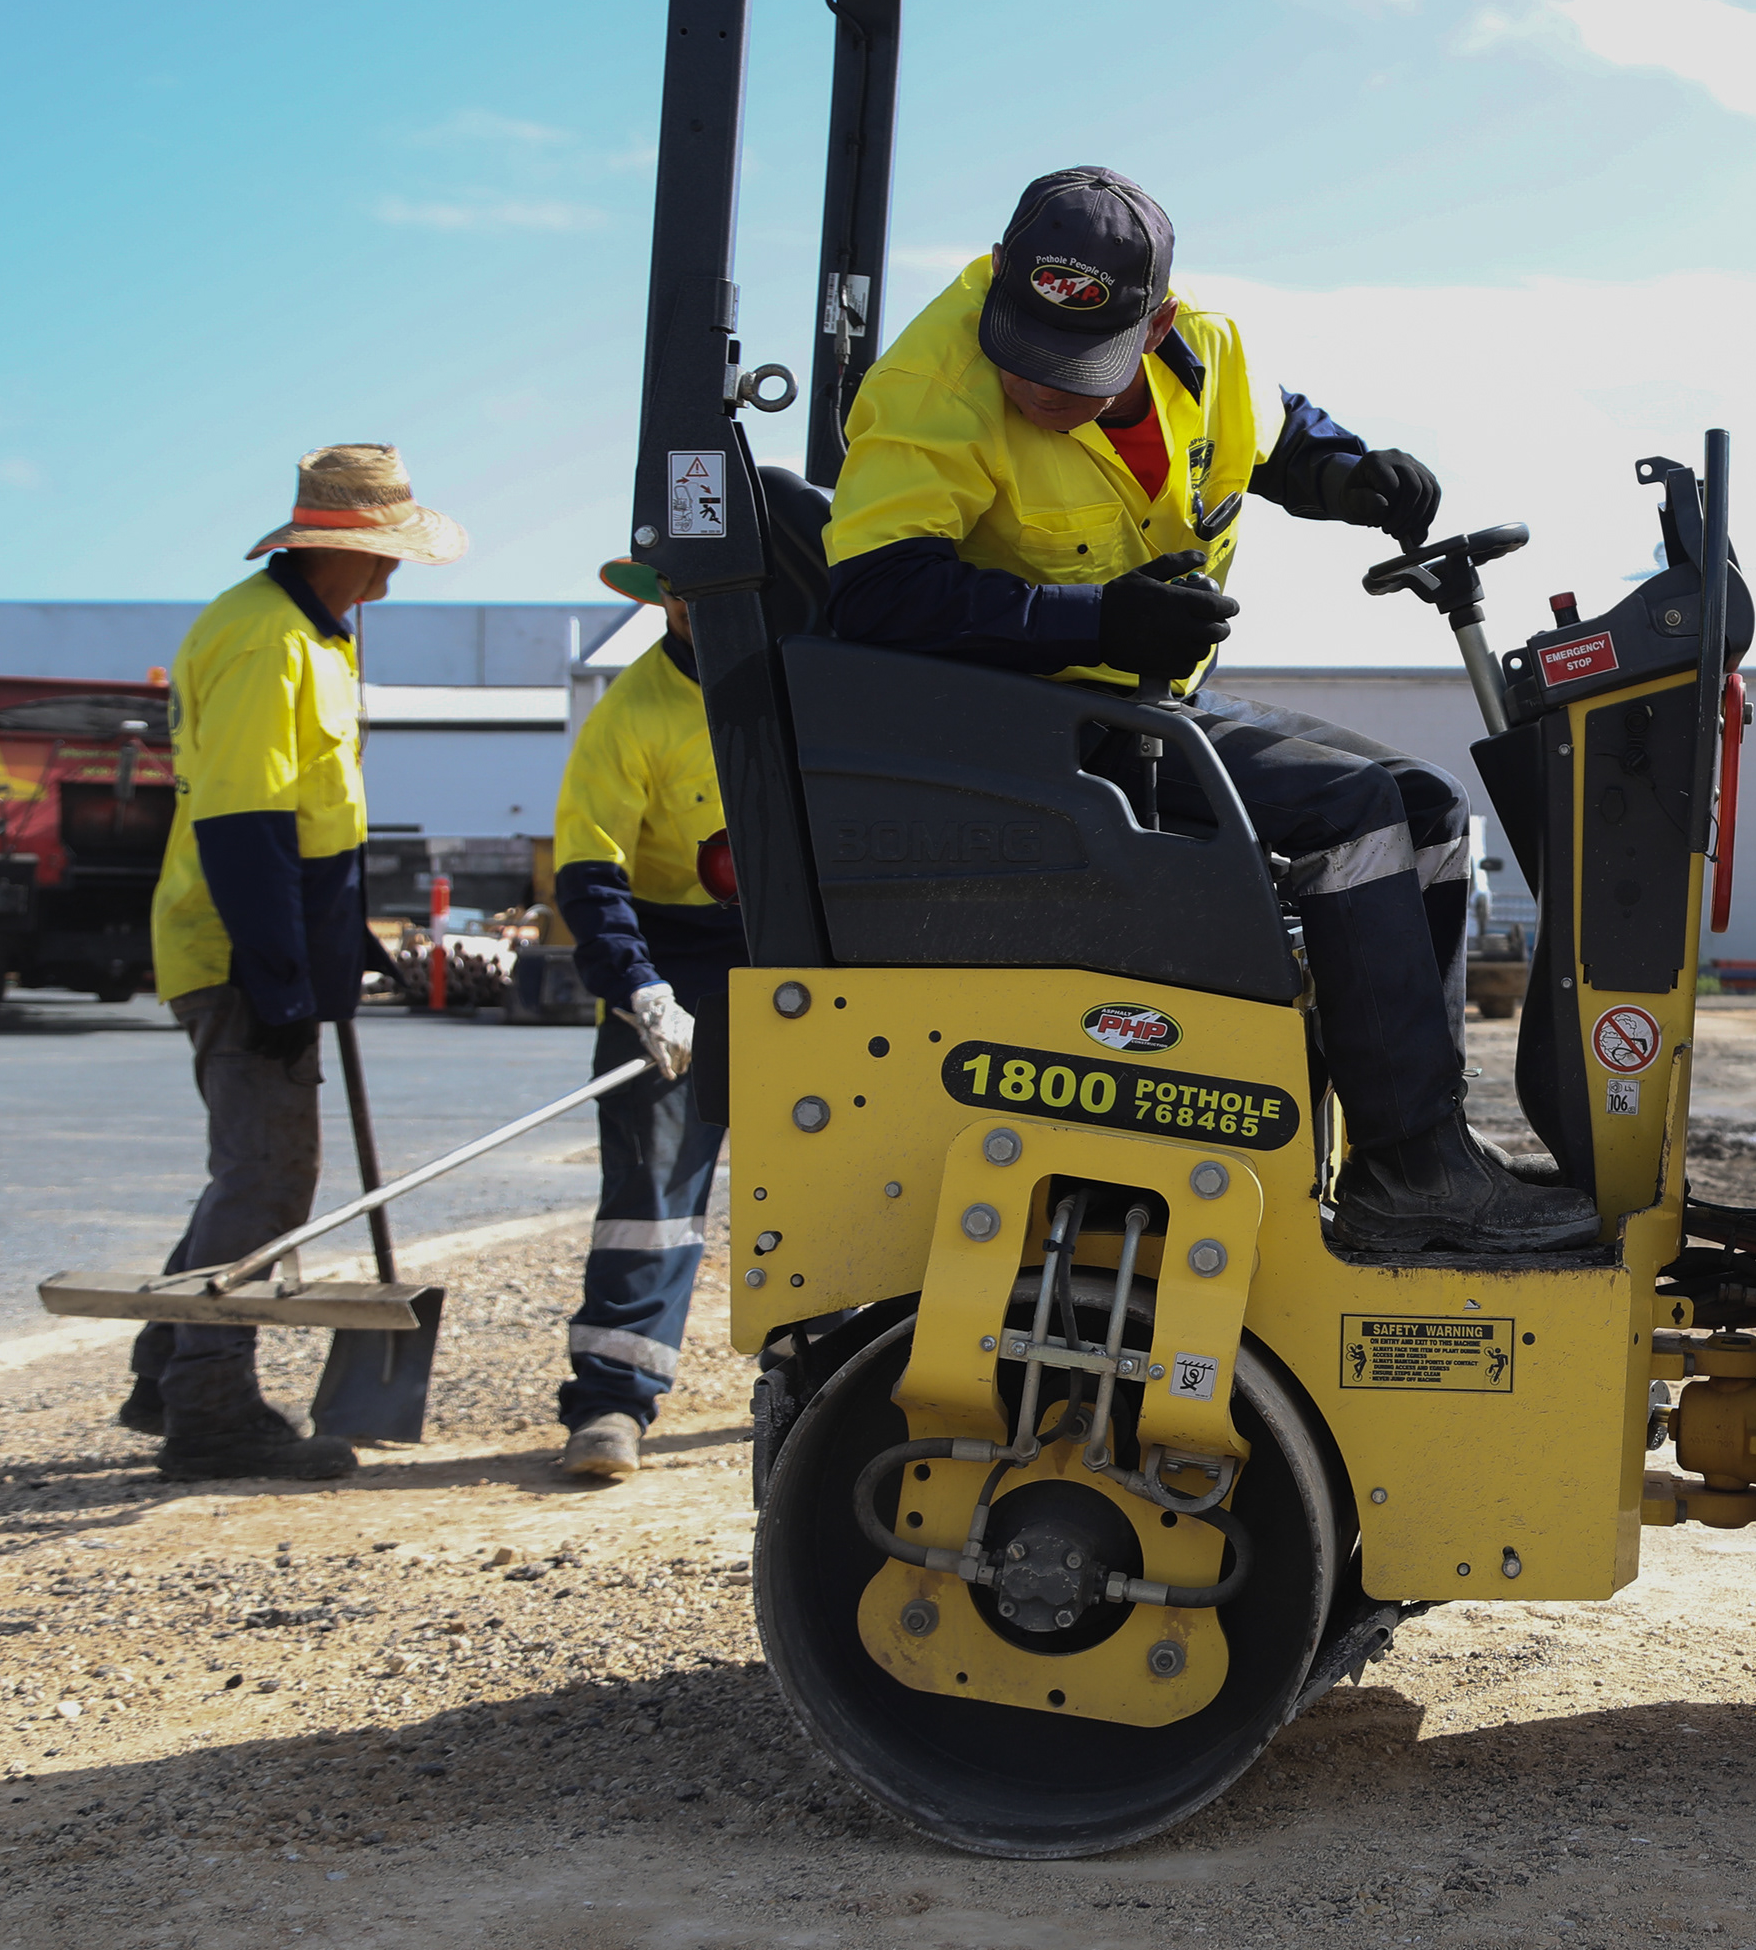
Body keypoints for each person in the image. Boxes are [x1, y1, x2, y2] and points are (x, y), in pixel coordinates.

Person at [825, 165, 1593, 1254]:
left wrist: (1350, 475)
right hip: (1016, 728)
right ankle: (1413, 1169)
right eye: (1024, 351)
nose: (1040, 387)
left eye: (1076, 369)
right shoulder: (930, 387)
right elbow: (872, 594)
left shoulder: (1212, 352)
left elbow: (1281, 439)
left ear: (1156, 327)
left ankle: (1416, 1149)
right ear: (999, 280)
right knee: (1350, 815)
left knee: (1425, 810)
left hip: (1144, 706)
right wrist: (1095, 621)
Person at [123, 445, 465, 1481]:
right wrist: (277, 979)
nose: (394, 571)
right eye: (385, 551)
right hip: (234, 947)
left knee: (257, 1170)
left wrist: (339, 946)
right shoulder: (264, 639)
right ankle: (210, 1409)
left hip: (262, 941)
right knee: (269, 1174)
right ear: (337, 548)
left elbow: (312, 815)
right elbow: (245, 825)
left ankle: (166, 1369)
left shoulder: (315, 637)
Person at [546, 561, 742, 1481]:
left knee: (823, 1189)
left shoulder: (801, 684)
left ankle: (822, 1387)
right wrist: (643, 992)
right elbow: (590, 875)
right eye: (681, 590)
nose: (696, 604)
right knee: (649, 1201)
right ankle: (611, 1403)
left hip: (791, 960)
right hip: (669, 971)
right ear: (662, 597)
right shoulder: (630, 715)